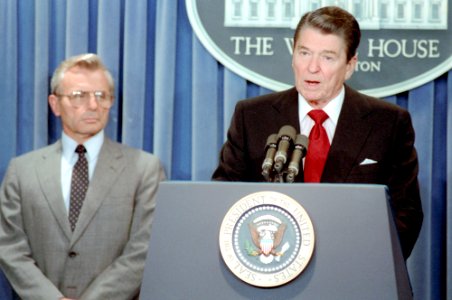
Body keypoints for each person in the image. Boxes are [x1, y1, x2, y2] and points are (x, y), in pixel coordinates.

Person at [212, 6, 423, 259]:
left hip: (353, 274)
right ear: (293, 56)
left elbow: (406, 213)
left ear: (349, 65)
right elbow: (224, 199)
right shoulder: (252, 116)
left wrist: (367, 264)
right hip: (270, 269)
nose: (312, 67)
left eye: (327, 57)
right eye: (304, 53)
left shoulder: (388, 123)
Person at [0, 53, 165, 299]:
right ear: (55, 104)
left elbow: (144, 249)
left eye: (101, 96)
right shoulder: (22, 171)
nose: (93, 106)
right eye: (79, 96)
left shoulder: (145, 168)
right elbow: (9, 246)